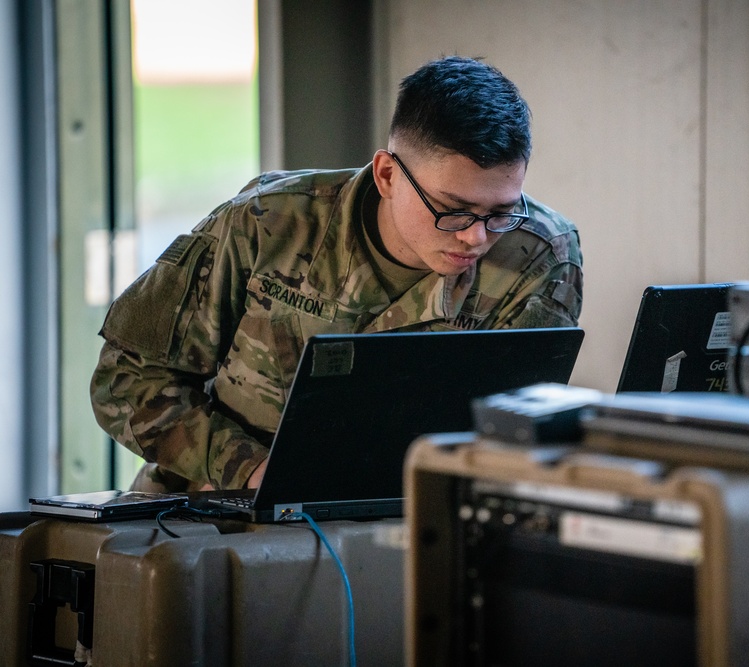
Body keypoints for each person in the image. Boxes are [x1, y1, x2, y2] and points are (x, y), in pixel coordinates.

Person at [90, 56, 584, 492]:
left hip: (414, 520)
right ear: (387, 175)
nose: (476, 237)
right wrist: (253, 470)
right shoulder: (268, 224)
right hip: (216, 511)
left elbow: (519, 424)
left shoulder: (538, 253)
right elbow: (126, 381)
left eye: (499, 212)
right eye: (452, 209)